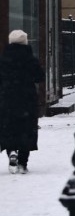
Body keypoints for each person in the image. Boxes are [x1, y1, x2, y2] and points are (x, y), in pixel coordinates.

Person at [0, 30, 44, 174]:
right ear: (25, 42)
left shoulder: (3, 59)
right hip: (27, 99)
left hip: (7, 98)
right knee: (26, 129)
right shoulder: (30, 59)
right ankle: (22, 163)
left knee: (8, 126)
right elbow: (39, 77)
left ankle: (12, 150)